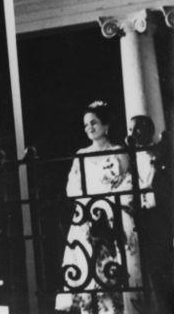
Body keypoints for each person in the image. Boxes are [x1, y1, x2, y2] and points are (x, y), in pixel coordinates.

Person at [56, 101, 142, 314]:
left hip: (113, 217)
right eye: (85, 125)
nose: (89, 128)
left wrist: (108, 207)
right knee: (87, 272)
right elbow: (72, 187)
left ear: (105, 125)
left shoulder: (118, 151)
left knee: (113, 273)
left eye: (93, 123)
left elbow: (127, 184)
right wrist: (89, 208)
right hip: (87, 217)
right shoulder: (81, 154)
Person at [125, 115, 171, 313]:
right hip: (142, 216)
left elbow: (154, 184)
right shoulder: (133, 156)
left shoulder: (159, 153)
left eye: (136, 130)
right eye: (130, 130)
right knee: (149, 269)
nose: (133, 134)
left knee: (164, 266)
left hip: (159, 215)